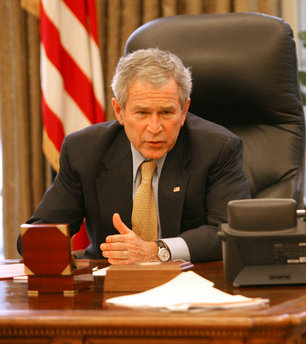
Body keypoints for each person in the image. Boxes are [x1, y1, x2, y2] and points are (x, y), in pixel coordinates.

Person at [18, 48, 251, 264]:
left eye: (167, 112)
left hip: (191, 282)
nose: (155, 127)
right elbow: (39, 235)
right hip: (109, 284)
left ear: (184, 111)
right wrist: (44, 247)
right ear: (119, 111)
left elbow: (230, 230)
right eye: (142, 113)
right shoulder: (84, 151)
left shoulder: (218, 148)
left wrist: (157, 250)